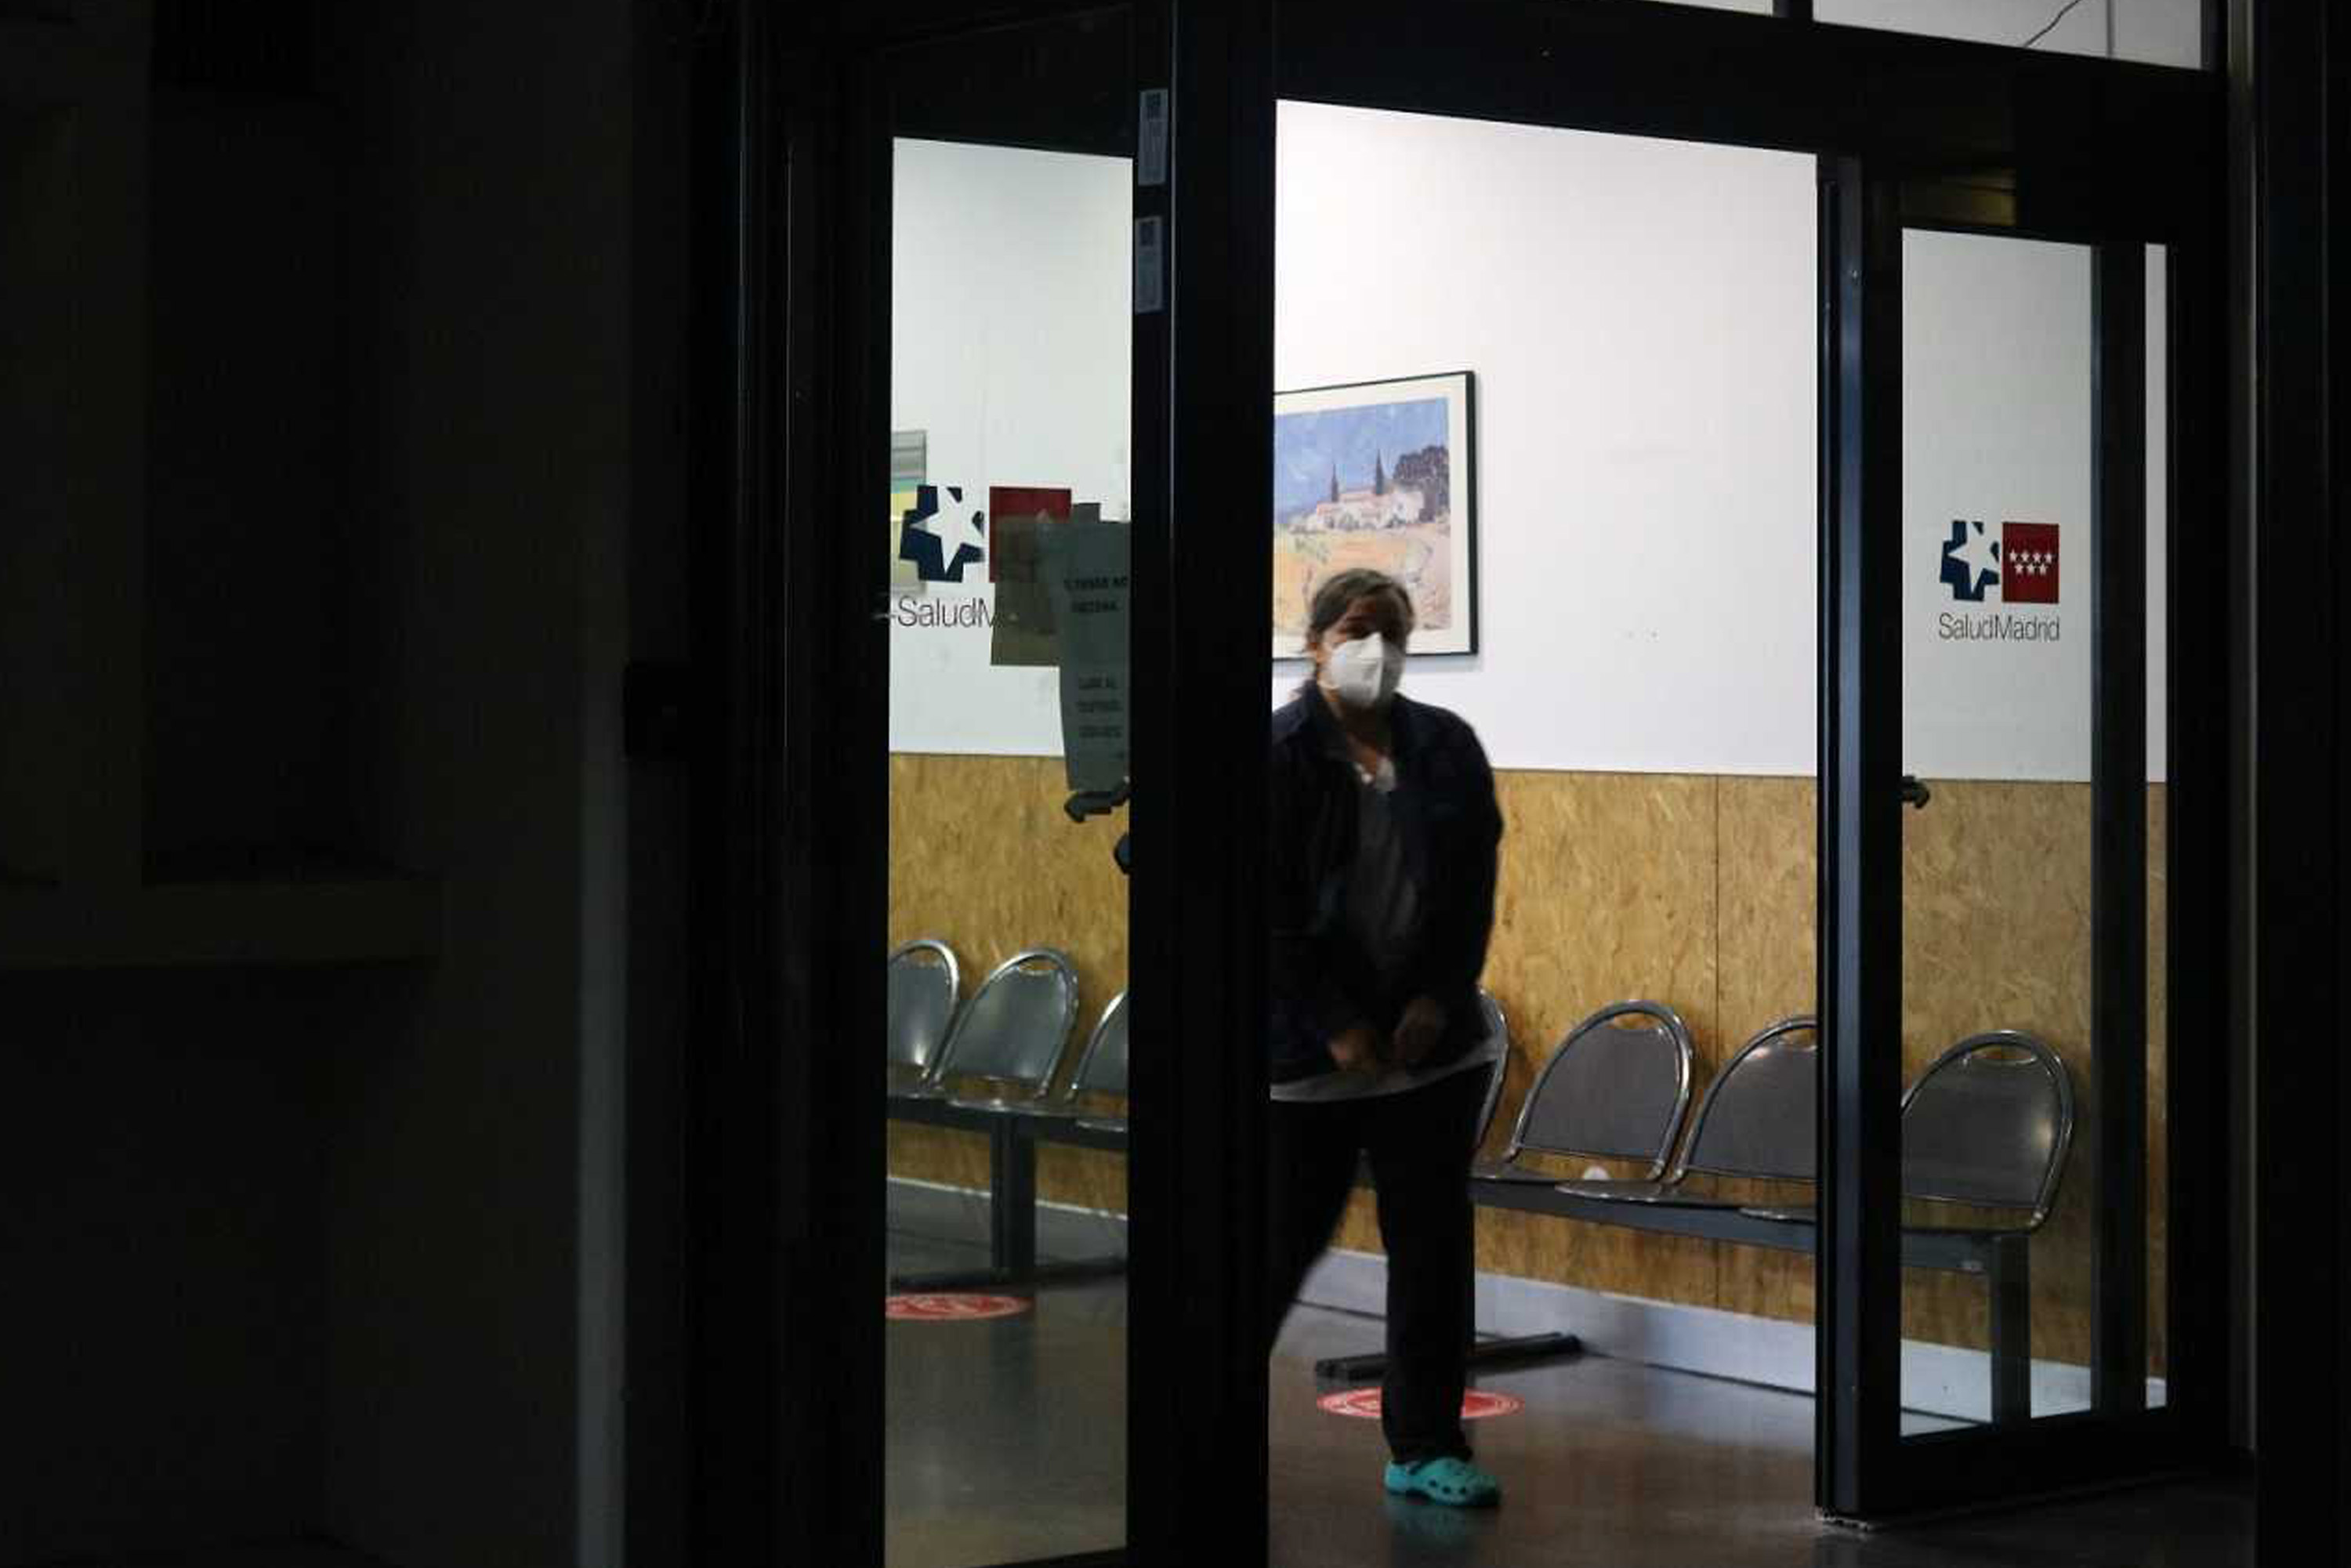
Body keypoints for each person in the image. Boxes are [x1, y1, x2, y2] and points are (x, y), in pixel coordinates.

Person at [1267, 567, 1506, 1509]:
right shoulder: (1281, 756)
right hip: (1307, 1056)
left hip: (1427, 1053)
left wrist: (1438, 1001)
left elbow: (1469, 895)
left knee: (1433, 1253)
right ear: (1319, 640)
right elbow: (1269, 913)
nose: (1379, 648)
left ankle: (1425, 1446)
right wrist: (1335, 1024)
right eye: (1360, 629)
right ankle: (1193, 1426)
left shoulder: (1445, 747)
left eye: (1396, 631)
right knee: (1280, 1241)